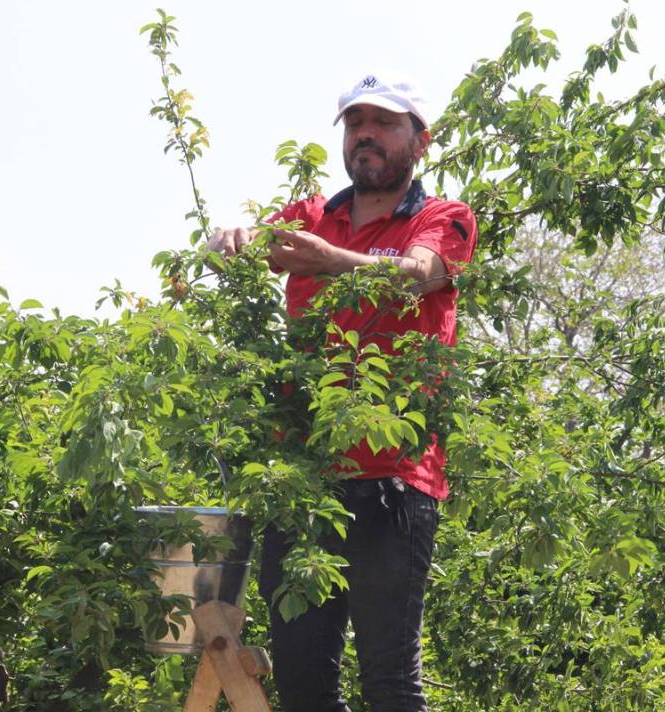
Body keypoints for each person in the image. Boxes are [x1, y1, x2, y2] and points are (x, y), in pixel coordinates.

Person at [207, 72, 477, 712]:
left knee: (388, 680)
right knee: (302, 684)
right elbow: (244, 247)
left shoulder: (443, 218)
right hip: (301, 477)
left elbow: (416, 275)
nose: (366, 136)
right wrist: (229, 238)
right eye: (356, 125)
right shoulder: (310, 215)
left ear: (421, 140)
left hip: (395, 477)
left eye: (384, 123)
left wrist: (330, 260)